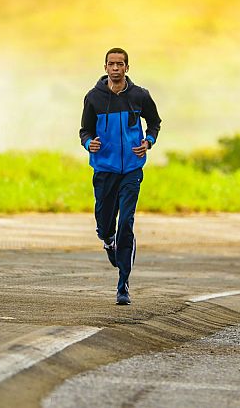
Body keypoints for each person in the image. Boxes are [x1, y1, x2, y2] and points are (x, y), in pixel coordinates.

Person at [78, 47, 162, 305]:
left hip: (131, 170)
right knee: (105, 224)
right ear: (105, 67)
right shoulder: (93, 98)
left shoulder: (140, 96)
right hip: (104, 169)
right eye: (111, 64)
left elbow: (155, 123)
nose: (115, 68)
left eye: (120, 64)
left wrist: (148, 142)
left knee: (126, 222)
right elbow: (84, 130)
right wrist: (88, 142)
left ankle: (123, 283)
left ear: (127, 67)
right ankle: (108, 240)